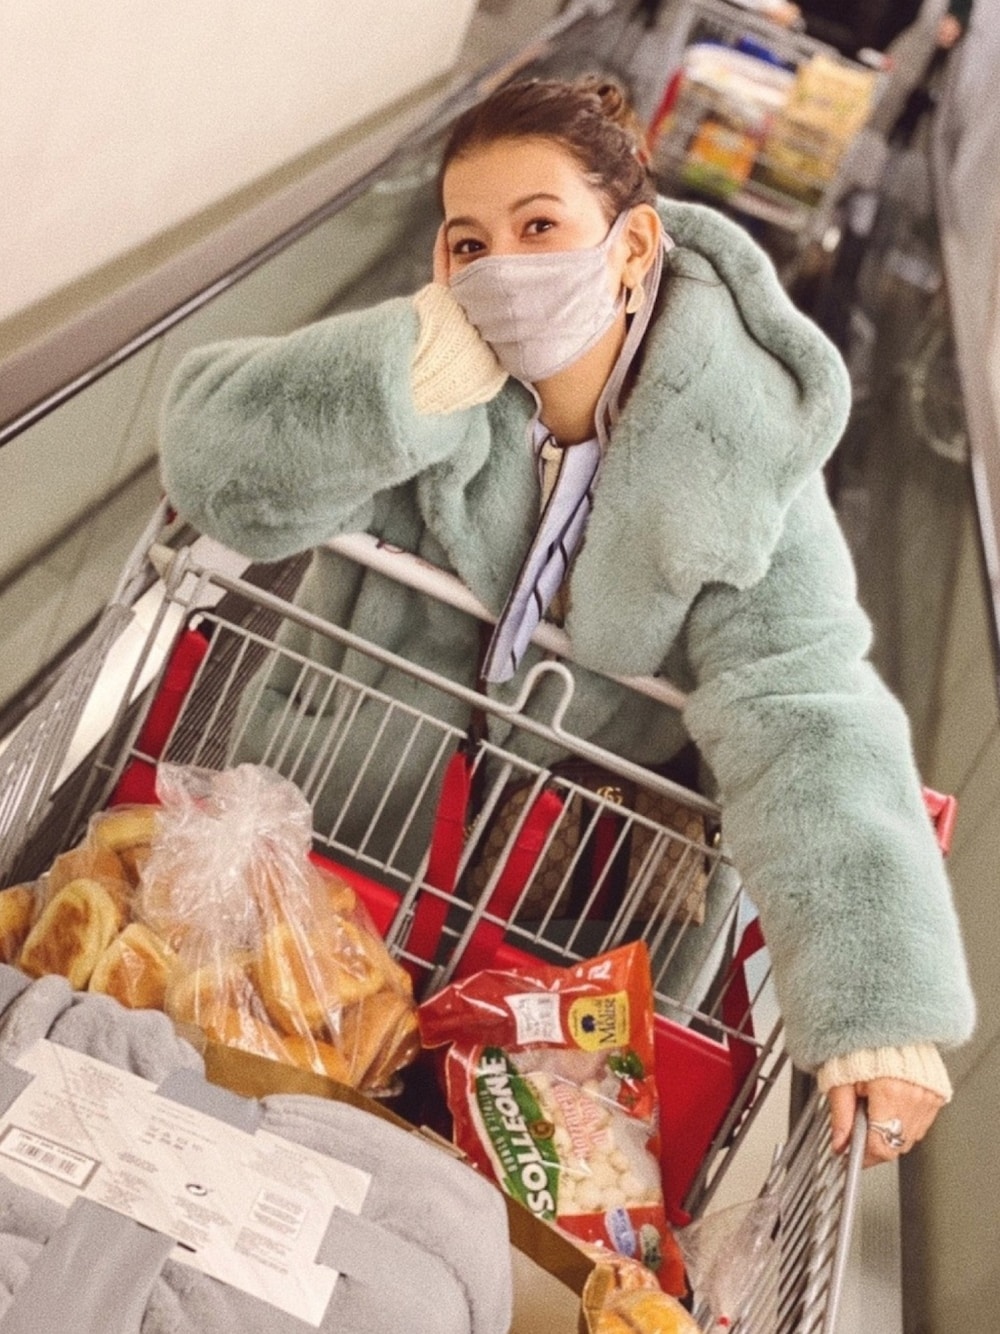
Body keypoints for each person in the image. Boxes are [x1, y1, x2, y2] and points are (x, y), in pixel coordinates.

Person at [159, 76, 975, 1169]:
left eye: (539, 226)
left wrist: (876, 1000)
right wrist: (400, 380)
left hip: (559, 953)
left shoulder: (744, 454)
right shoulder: (439, 368)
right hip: (326, 874)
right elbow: (214, 475)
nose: (501, 266)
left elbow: (802, 702)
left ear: (631, 245)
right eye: (469, 241)